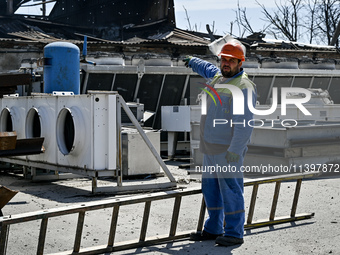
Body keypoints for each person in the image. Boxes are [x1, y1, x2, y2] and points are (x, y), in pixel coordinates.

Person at [183, 41, 257, 247]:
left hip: (227, 151)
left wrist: (235, 150)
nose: (226, 63)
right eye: (224, 59)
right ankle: (214, 228)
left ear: (240, 62)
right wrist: (192, 61)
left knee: (231, 190)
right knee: (211, 189)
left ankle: (234, 232)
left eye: (231, 60)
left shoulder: (243, 87)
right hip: (210, 147)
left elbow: (245, 125)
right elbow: (207, 68)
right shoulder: (218, 77)